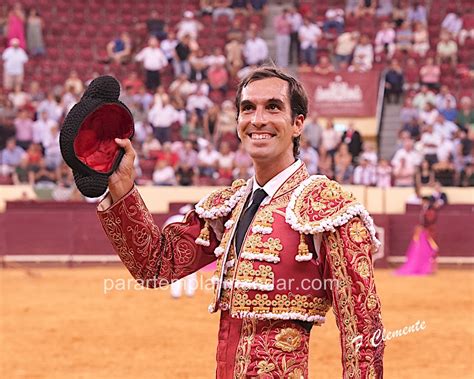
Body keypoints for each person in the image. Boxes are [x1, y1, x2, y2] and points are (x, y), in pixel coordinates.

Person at [97, 67, 384, 377]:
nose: (257, 119)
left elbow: (364, 333)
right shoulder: (229, 207)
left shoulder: (327, 209)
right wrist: (123, 185)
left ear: (298, 124)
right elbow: (154, 265)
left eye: (273, 107)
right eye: (248, 108)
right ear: (237, 123)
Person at [395, 196, 438, 276]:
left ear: (426, 201)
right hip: (425, 231)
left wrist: (424, 228)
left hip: (428, 232)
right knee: (426, 250)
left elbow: (430, 221)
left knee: (431, 249)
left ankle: (430, 268)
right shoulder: (425, 209)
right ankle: (428, 268)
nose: (421, 203)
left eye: (423, 201)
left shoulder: (430, 210)